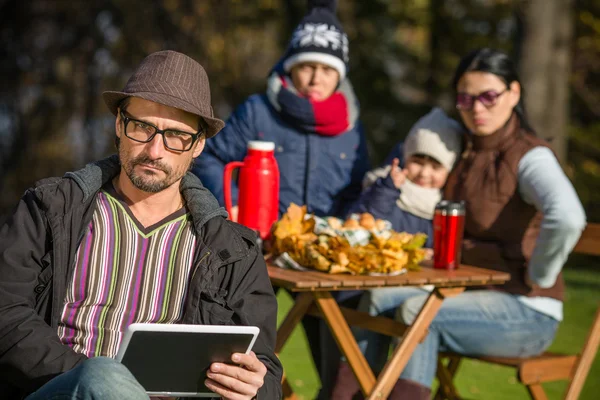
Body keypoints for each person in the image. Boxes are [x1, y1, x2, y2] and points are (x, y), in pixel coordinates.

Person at [0, 50, 282, 400]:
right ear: (119, 125)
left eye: (176, 135)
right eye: (142, 127)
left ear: (198, 146)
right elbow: (5, 315)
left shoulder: (235, 251)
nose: (154, 150)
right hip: (57, 390)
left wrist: (254, 387)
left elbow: (266, 372)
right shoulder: (49, 208)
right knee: (103, 376)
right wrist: (101, 384)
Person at [349, 47, 587, 400]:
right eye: (465, 98)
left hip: (527, 310)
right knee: (375, 297)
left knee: (418, 313)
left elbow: (568, 216)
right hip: (468, 293)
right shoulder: (463, 150)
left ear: (514, 93)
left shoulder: (529, 156)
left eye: (489, 96)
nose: (477, 108)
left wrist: (542, 273)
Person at [192, 1, 370, 397]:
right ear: (290, 66)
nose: (315, 77)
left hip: (321, 260)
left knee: (341, 342)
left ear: (339, 75)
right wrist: (232, 208)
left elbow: (357, 189)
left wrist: (346, 230)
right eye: (307, 65)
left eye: (326, 69)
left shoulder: (351, 125)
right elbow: (208, 157)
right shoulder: (258, 110)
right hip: (257, 250)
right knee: (244, 337)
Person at [330, 108, 463, 398]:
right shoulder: (383, 187)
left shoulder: (446, 207)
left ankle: (367, 388)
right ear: (405, 159)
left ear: (448, 170)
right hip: (371, 286)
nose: (425, 173)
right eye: (418, 161)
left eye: (435, 166)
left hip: (417, 289)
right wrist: (388, 190)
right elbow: (358, 224)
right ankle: (354, 388)